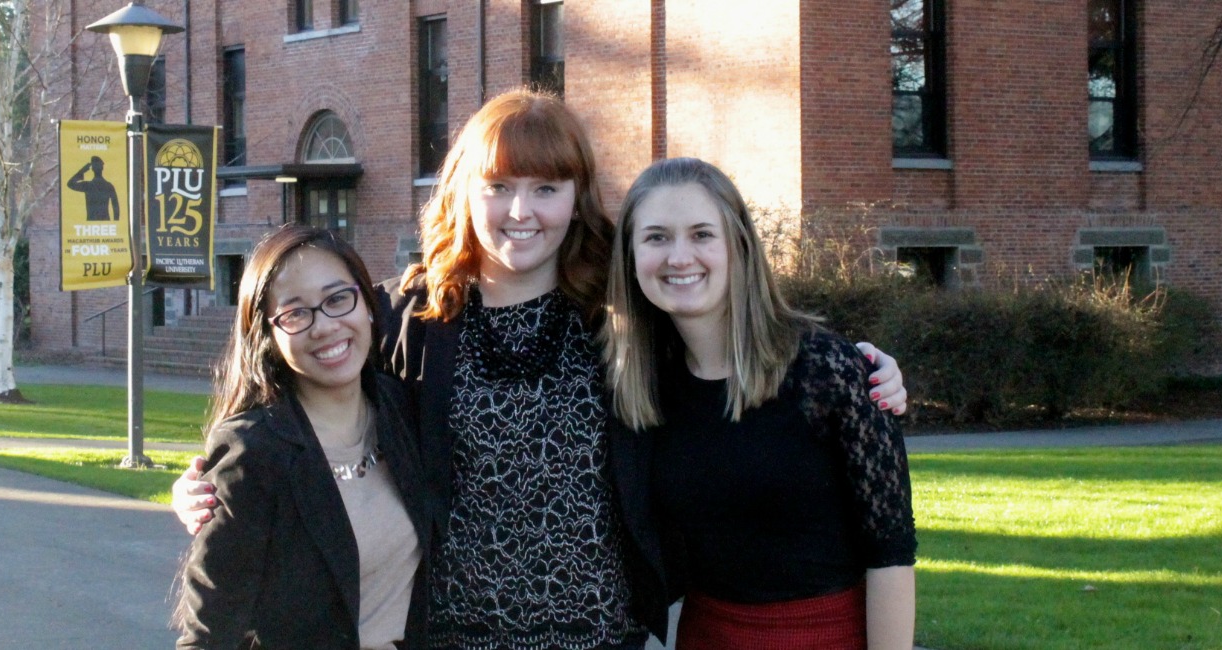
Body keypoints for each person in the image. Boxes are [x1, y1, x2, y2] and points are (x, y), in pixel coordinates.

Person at [174, 90, 910, 647]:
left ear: (576, 197)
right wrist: (208, 477)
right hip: (450, 637)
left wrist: (864, 369)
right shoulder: (410, 316)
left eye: (546, 188)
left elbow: (726, 343)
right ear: (464, 188)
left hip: (602, 637)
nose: (520, 211)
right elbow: (294, 381)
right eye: (498, 186)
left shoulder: (622, 312)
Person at [602, 157, 916, 649]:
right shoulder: (640, 384)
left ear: (739, 245)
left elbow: (892, 555)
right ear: (630, 255)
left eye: (702, 234)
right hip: (706, 635)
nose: (679, 257)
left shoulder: (827, 371)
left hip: (826, 636)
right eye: (656, 237)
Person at [172, 225, 431, 650]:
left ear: (367, 303)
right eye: (295, 313)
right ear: (268, 337)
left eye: (337, 299)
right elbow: (208, 635)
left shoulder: (402, 409)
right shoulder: (254, 454)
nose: (325, 326)